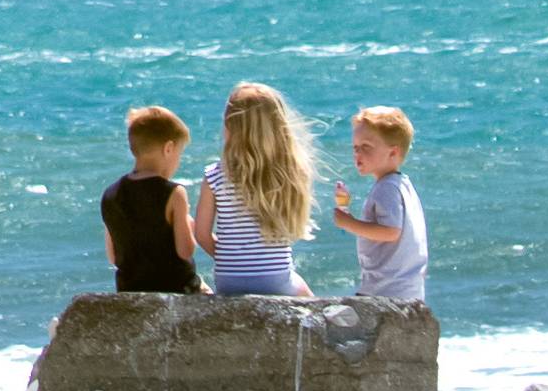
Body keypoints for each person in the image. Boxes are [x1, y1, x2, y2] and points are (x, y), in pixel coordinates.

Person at [181, 79, 314, 297]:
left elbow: (201, 234)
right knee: (309, 299)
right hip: (276, 281)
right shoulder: (290, 172)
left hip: (228, 282)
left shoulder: (214, 175)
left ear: (229, 127)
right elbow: (293, 229)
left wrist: (231, 260)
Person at [322, 100, 428, 313]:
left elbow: (390, 232)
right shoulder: (401, 184)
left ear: (393, 153)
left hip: (387, 290)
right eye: (355, 148)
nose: (357, 154)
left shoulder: (386, 188)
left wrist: (349, 223)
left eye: (366, 147)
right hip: (406, 289)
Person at [98, 102, 199, 292]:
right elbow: (185, 251)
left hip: (130, 290)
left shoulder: (110, 195)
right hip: (174, 288)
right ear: (168, 148)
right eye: (179, 154)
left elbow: (113, 257)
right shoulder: (174, 193)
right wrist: (188, 224)